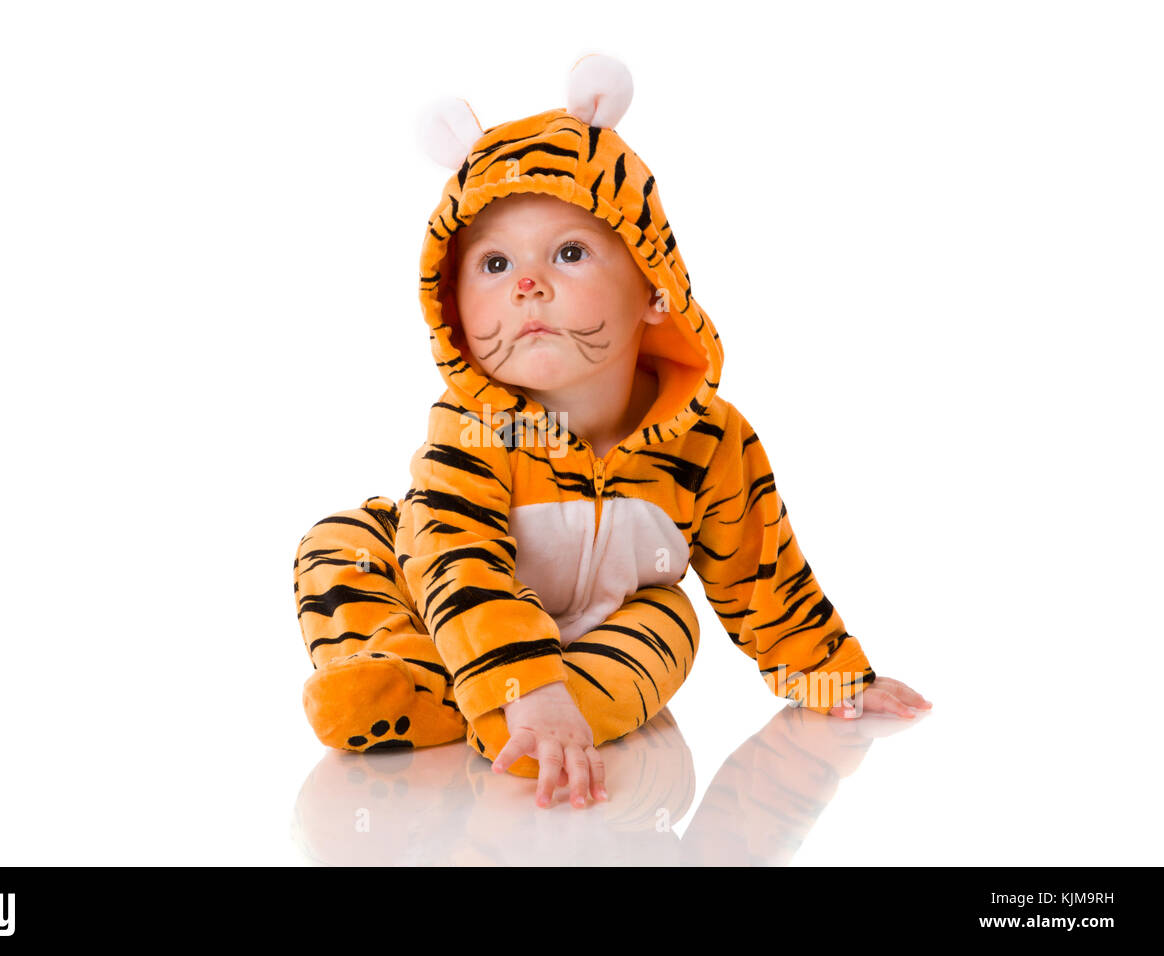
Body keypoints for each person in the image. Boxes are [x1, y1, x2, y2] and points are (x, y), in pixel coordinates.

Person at [294, 54, 930, 811]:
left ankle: (558, 718)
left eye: (568, 252)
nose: (528, 284)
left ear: (655, 288)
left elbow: (763, 575)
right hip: (451, 620)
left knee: (671, 619)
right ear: (454, 312)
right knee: (344, 539)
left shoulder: (709, 442)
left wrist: (832, 673)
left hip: (600, 638)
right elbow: (457, 560)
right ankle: (410, 677)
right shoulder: (473, 428)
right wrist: (519, 677)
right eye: (494, 264)